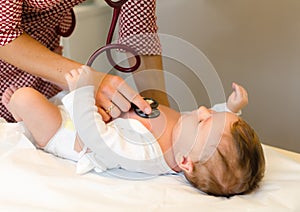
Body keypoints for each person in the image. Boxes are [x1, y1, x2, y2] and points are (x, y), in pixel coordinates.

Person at [2, 65, 265, 197]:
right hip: (90, 112)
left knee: (26, 98)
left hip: (69, 132)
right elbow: (214, 126)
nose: (204, 111)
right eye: (215, 114)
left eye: (205, 121)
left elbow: (98, 140)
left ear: (185, 162)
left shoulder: (147, 153)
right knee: (51, 91)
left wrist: (83, 92)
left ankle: (20, 115)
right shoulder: (188, 138)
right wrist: (231, 108)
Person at [0, 0, 169, 123]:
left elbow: (140, 32)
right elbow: (4, 33)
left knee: (40, 128)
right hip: (21, 62)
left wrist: (163, 113)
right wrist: (88, 80)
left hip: (43, 73)